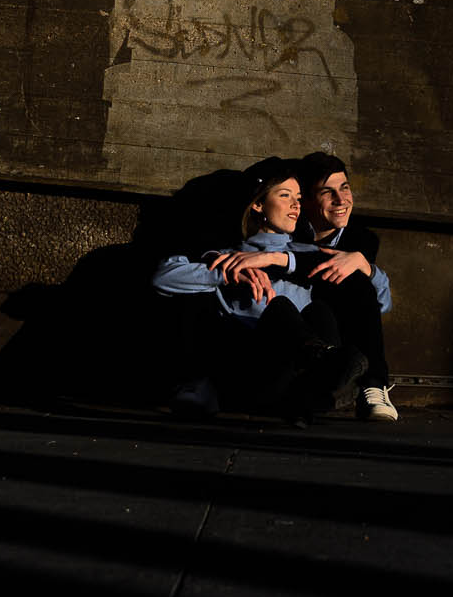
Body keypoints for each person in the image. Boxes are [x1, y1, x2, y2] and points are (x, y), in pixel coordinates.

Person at [151, 157, 366, 423]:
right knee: (280, 308)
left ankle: (318, 376)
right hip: (253, 366)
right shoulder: (228, 256)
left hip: (295, 377)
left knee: (319, 311)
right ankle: (324, 366)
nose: (296, 205)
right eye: (285, 195)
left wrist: (363, 264)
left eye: (299, 197)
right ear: (258, 204)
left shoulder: (308, 255)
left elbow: (376, 299)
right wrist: (227, 275)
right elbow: (163, 278)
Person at [286, 151, 397, 422]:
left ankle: (373, 384)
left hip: (341, 331)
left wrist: (364, 265)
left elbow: (381, 304)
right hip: (296, 329)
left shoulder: (361, 239)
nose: (341, 200)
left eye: (345, 188)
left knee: (357, 280)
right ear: (306, 199)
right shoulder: (285, 228)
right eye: (327, 192)